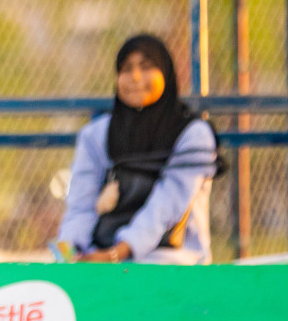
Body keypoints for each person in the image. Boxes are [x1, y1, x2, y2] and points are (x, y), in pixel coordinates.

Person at [55, 33, 223, 265]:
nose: (134, 77)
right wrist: (70, 253)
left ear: (166, 73)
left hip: (172, 262)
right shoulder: (96, 134)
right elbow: (80, 205)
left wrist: (116, 254)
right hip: (104, 263)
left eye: (146, 67)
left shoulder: (194, 134)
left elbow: (165, 207)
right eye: (126, 69)